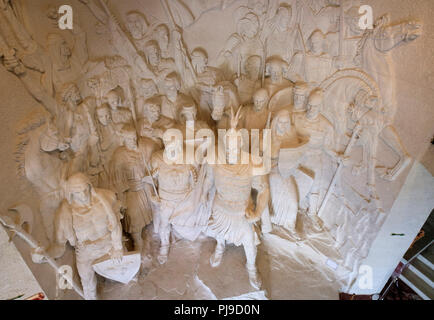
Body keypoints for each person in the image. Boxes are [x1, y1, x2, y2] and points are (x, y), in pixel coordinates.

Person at [44, 173, 123, 300]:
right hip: (86, 252)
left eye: (85, 190)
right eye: (78, 192)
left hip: (109, 244)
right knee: (87, 283)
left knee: (124, 270)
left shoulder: (105, 197)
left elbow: (116, 224)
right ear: (71, 193)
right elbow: (59, 245)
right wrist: (44, 255)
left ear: (90, 186)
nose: (83, 195)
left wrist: (117, 247)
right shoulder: (65, 213)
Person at [110, 125, 157, 254]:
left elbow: (148, 164)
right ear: (124, 139)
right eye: (130, 139)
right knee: (133, 217)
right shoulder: (119, 154)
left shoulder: (141, 150)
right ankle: (137, 241)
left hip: (144, 187)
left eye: (134, 138)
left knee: (153, 208)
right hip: (130, 191)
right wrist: (122, 197)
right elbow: (117, 178)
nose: (133, 142)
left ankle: (151, 231)